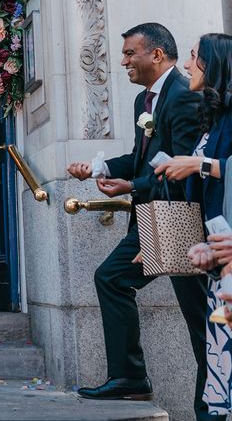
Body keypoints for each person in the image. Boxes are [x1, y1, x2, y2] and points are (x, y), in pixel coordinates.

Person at [67, 23, 210, 418]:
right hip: (151, 217)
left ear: (157, 55)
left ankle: (208, 409)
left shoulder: (183, 98)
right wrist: (96, 166)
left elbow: (180, 170)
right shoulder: (142, 102)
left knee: (201, 321)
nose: (124, 61)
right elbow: (141, 157)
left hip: (179, 221)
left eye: (131, 53)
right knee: (111, 277)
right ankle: (129, 377)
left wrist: (131, 184)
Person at [155, 33, 232, 417]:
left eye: (193, 57)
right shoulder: (212, 116)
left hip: (227, 250)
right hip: (212, 251)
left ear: (214, 63)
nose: (187, 65)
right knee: (214, 348)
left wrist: (196, 164)